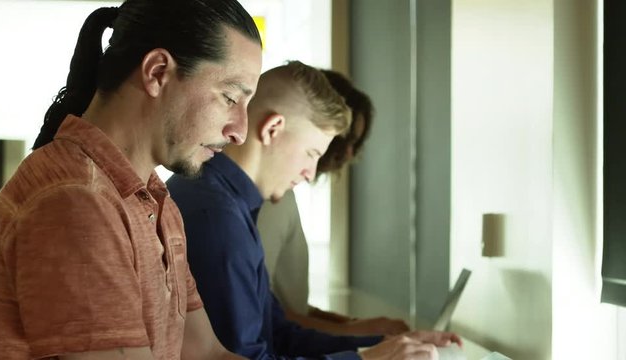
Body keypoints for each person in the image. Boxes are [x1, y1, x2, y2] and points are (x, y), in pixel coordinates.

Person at [0, 1, 262, 359]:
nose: (240, 131)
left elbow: (206, 352)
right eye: (229, 97)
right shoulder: (75, 201)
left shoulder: (153, 198)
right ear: (157, 71)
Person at [167, 61, 461, 360]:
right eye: (312, 153)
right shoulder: (219, 219)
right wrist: (368, 359)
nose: (310, 173)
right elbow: (249, 355)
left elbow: (278, 334)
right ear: (273, 129)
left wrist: (389, 345)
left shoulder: (231, 205)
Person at [257, 70, 410, 337]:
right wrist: (359, 332)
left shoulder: (283, 196)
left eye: (356, 143)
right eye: (345, 138)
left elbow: (288, 305)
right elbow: (265, 315)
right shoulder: (272, 198)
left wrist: (351, 324)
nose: (349, 153)